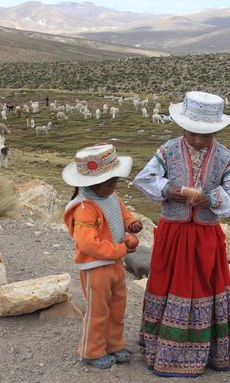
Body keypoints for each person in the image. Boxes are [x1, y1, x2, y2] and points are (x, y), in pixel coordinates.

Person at [133, 91, 230, 377]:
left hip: (205, 235)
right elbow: (145, 178)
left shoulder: (225, 158)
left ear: (217, 131)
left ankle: (208, 352)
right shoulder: (168, 151)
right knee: (167, 283)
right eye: (192, 133)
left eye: (205, 135)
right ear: (183, 127)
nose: (197, 140)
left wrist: (212, 199)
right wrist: (169, 191)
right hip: (173, 233)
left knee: (204, 284)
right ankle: (163, 349)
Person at [62, 143, 143, 369]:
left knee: (117, 307)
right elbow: (89, 244)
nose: (113, 186)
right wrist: (122, 250)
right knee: (98, 311)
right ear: (92, 183)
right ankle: (91, 350)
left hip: (115, 264)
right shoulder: (85, 209)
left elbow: (121, 212)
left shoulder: (110, 196)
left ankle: (115, 345)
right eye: (110, 182)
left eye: (115, 181)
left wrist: (131, 223)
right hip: (95, 267)